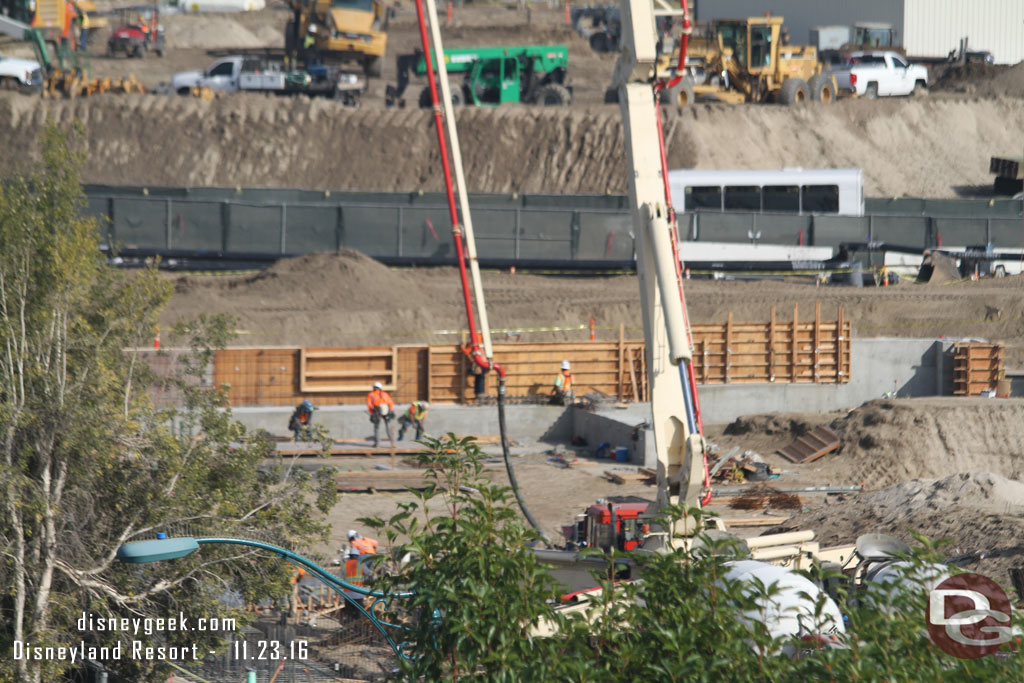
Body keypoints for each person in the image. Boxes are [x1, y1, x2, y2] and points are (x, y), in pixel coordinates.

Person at [366, 381, 395, 447]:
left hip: (377, 411)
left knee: (377, 427)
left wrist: (372, 412)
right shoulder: (385, 394)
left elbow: (369, 404)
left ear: (374, 387)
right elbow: (391, 403)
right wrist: (390, 411)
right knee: (388, 426)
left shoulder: (371, 394)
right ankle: (392, 443)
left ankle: (377, 444)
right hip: (386, 410)